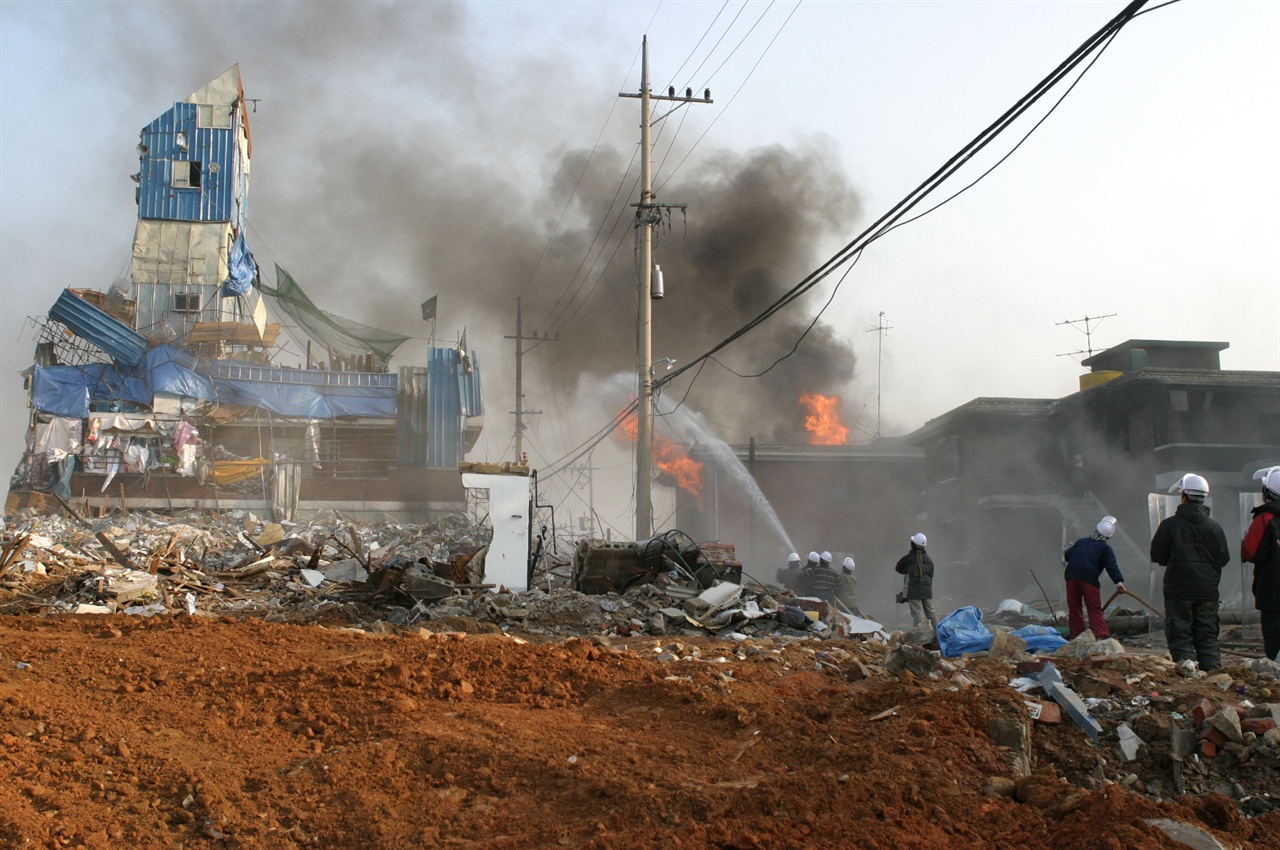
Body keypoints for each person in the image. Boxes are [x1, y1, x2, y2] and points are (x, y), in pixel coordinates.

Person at [1151, 473, 1231, 672]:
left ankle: (1189, 676)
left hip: (1178, 592)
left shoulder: (1169, 525)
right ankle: (1213, 676)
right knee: (1207, 637)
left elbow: (1157, 555)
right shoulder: (1215, 528)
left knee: (1180, 635)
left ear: (1184, 496)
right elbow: (1224, 559)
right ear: (1203, 497)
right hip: (1208, 593)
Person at [1062, 517, 1126, 640]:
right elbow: (1111, 566)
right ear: (1108, 537)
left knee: (1074, 607)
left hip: (1071, 576)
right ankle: (1100, 635)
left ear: (1096, 529)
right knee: (1094, 608)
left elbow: (1068, 556)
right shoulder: (1105, 548)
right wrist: (1118, 582)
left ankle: (1077, 634)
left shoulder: (1081, 542)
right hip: (1088, 579)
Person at [1243, 466, 1280, 661]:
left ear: (1267, 493)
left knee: (1274, 637)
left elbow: (1251, 551)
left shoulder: (1265, 519)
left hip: (1273, 592)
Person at [895, 532, 936, 629]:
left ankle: (920, 636)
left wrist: (909, 571)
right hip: (927, 592)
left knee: (918, 614)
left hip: (913, 592)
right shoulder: (929, 560)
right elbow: (931, 574)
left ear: (912, 544)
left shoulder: (908, 559)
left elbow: (898, 568)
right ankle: (938, 634)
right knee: (931, 613)